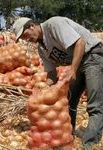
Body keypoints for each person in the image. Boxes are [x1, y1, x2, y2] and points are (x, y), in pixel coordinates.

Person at [12, 16, 103, 149]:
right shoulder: (42, 49)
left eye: (25, 35)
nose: (27, 39)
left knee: (94, 104)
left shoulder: (54, 25)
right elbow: (51, 75)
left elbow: (80, 43)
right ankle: (66, 138)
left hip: (93, 55)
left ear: (32, 26)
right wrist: (42, 89)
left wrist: (72, 69)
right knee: (68, 101)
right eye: (23, 38)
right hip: (78, 63)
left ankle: (89, 144)